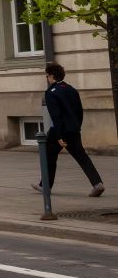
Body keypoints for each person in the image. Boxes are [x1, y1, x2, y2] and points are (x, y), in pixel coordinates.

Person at [34, 62, 104, 197]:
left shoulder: (51, 92)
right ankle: (97, 183)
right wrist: (77, 126)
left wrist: (59, 136)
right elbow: (79, 111)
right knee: (82, 156)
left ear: (52, 76)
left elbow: (56, 115)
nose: (47, 78)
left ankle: (45, 186)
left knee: (49, 155)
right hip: (74, 129)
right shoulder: (71, 89)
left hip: (58, 131)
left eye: (47, 76)